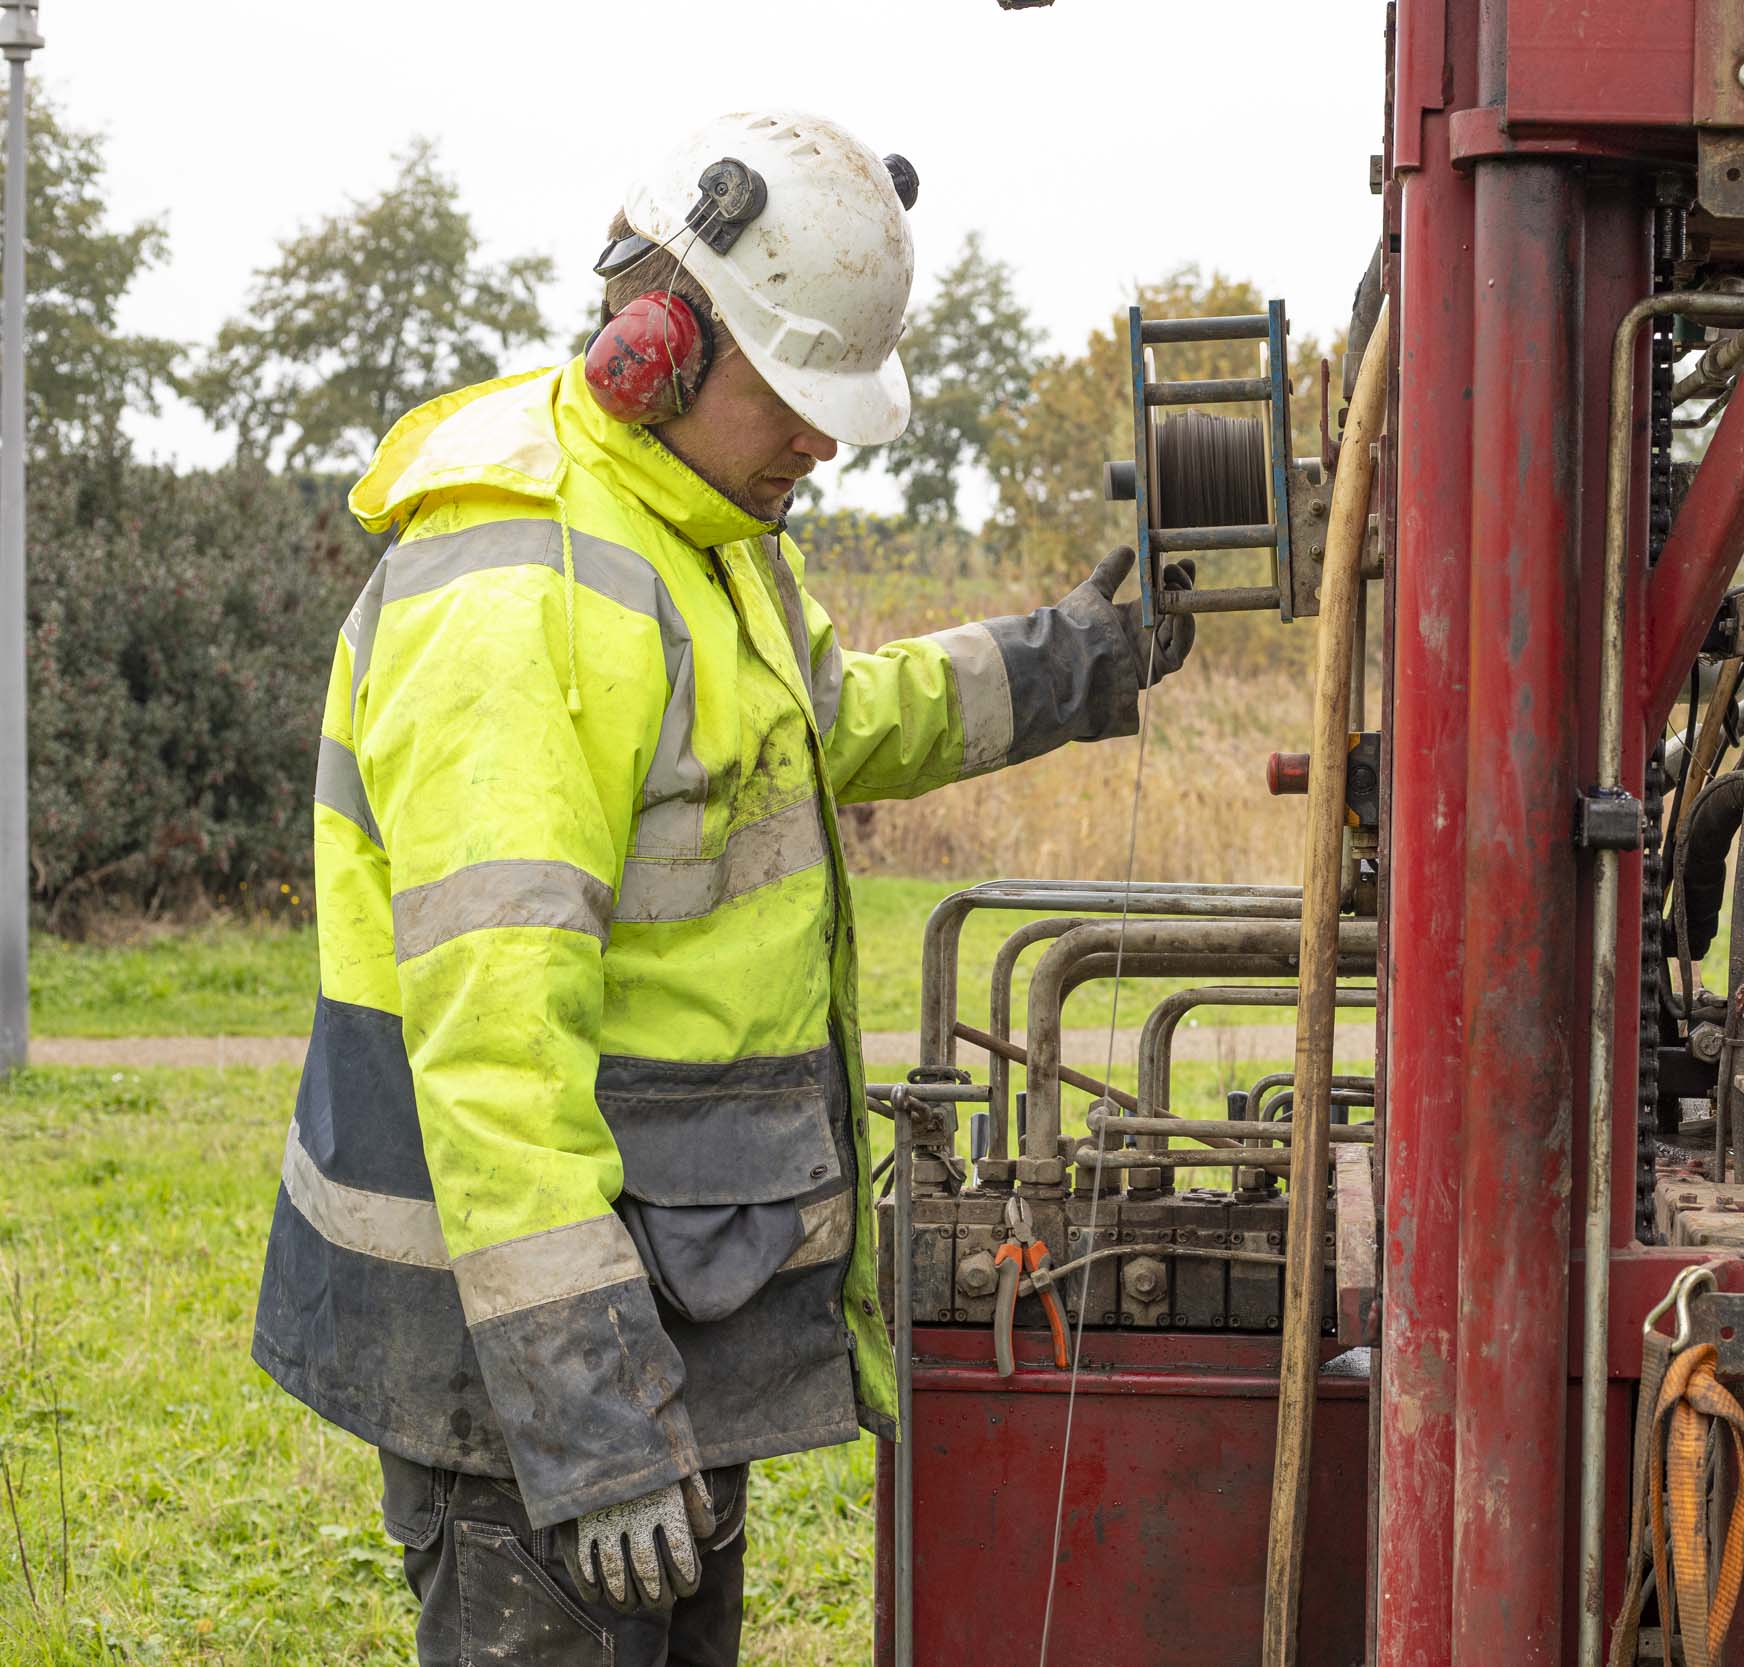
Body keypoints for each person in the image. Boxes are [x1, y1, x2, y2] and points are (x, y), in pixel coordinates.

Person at [251, 109, 1193, 1665]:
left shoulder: (694, 534)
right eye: (798, 400)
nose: (824, 443)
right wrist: (590, 1423)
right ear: (658, 349)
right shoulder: (522, 587)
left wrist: (1074, 659)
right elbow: (493, 1050)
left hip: (664, 1295)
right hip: (527, 1363)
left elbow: (830, 728)